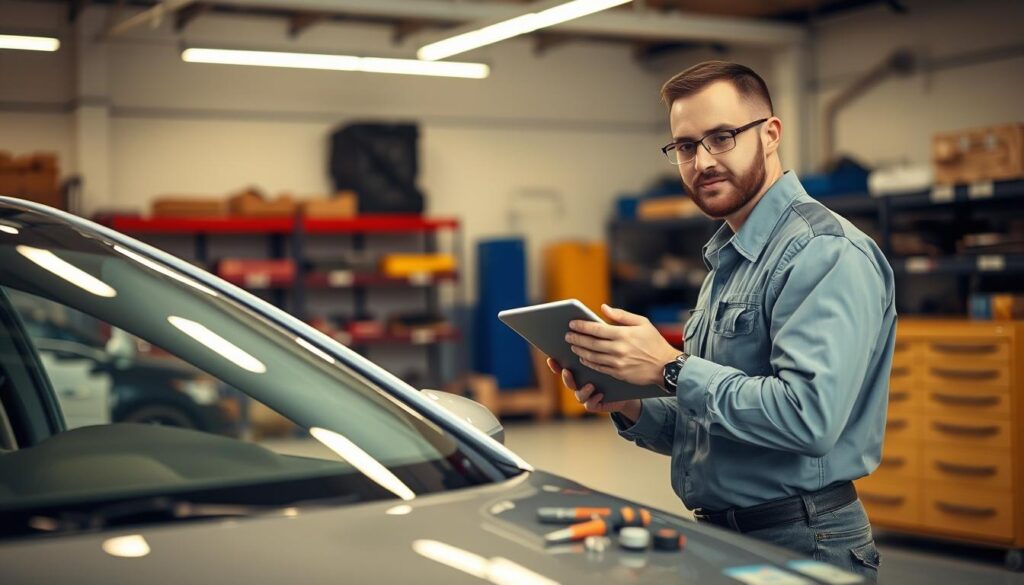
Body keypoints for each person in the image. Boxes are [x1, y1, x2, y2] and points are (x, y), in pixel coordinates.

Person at [548, 61, 895, 580]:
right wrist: (629, 403)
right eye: (685, 146)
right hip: (721, 536)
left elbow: (809, 418)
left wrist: (670, 369)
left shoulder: (824, 253)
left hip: (804, 541)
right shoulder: (730, 261)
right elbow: (709, 428)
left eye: (722, 137)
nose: (702, 161)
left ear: (771, 134)